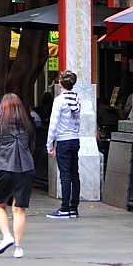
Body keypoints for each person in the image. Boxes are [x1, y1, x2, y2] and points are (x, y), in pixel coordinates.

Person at [0, 93, 36, 259]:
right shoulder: (28, 125)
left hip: (3, 167)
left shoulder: (0, 124)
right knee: (19, 208)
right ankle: (18, 247)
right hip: (25, 169)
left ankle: (6, 236)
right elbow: (32, 146)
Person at [45, 71, 82, 219]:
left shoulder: (59, 100)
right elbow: (78, 121)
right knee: (75, 175)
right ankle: (74, 207)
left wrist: (49, 144)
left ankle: (64, 208)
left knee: (65, 176)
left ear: (61, 83)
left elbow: (53, 124)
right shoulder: (76, 98)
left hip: (63, 140)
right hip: (74, 139)